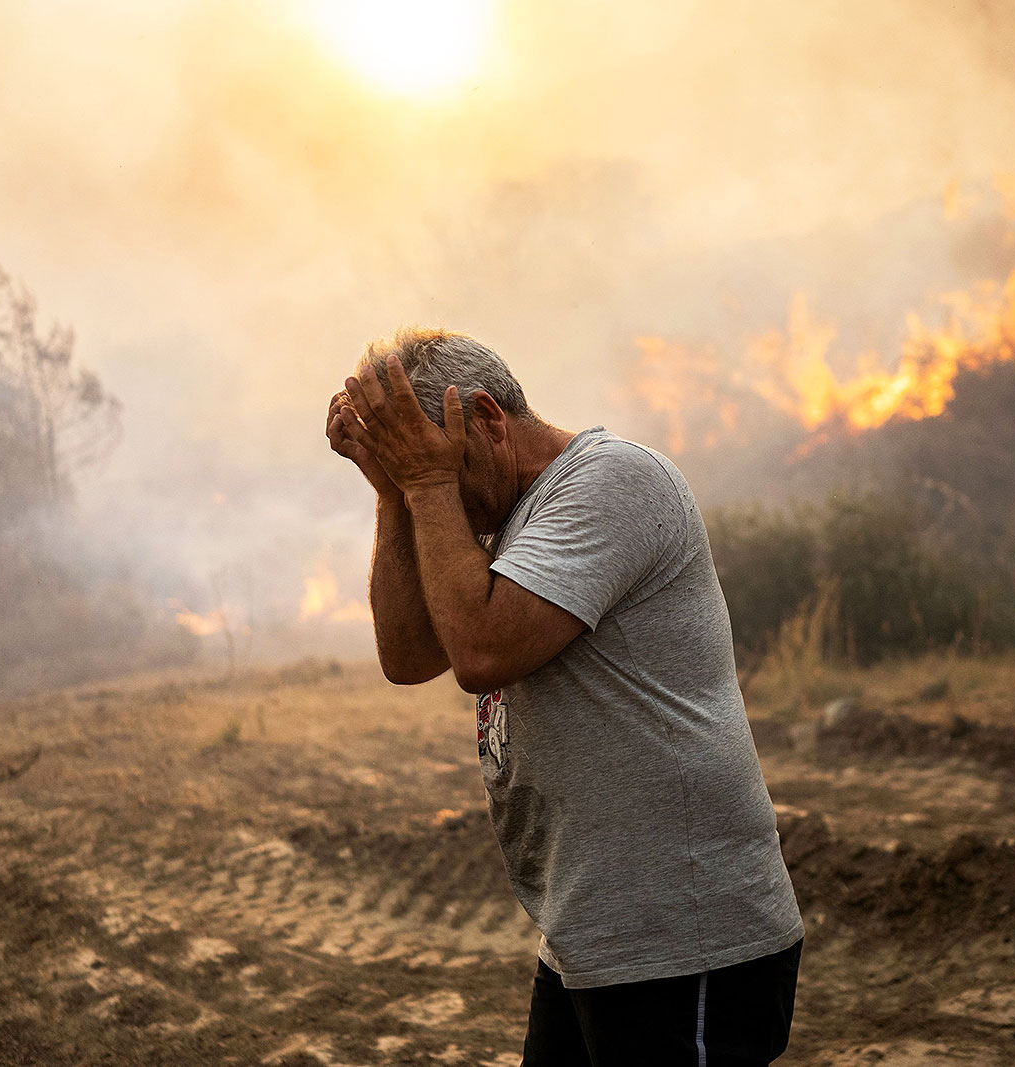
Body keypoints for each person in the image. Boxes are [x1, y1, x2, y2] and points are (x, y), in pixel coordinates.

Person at [325, 328, 804, 1066]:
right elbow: (410, 654)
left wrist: (424, 485)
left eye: (441, 468)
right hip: (595, 933)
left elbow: (481, 652)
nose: (439, 497)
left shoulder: (614, 481)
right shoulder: (517, 516)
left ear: (486, 418)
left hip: (684, 936)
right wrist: (396, 492)